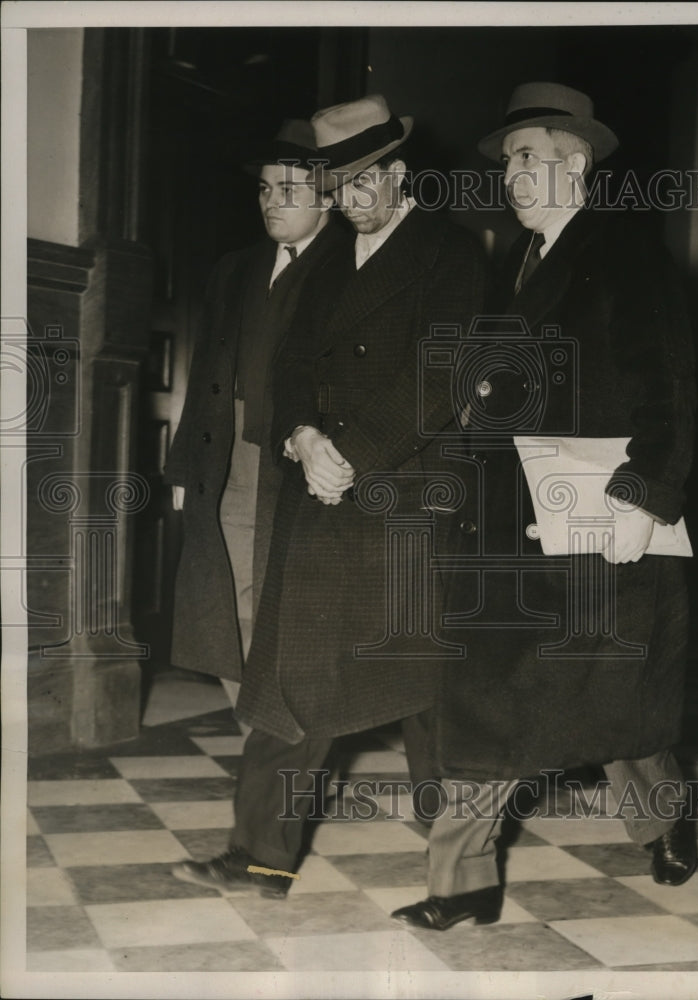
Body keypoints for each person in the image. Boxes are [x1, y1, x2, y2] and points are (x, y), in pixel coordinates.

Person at [393, 82, 698, 931]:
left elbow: (668, 388)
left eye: (526, 158)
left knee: (618, 703)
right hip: (509, 524)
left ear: (577, 163)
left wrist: (646, 499)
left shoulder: (627, 251)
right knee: (486, 702)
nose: (512, 174)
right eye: (509, 162)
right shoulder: (512, 269)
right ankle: (462, 886)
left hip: (598, 516)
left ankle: (665, 820)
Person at [172, 94, 489, 897]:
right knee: (286, 680)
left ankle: (459, 870)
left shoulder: (452, 257)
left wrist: (353, 452)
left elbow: (441, 374)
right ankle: (260, 856)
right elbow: (290, 373)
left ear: (399, 172)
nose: (350, 198)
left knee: (425, 692)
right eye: (337, 184)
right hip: (322, 499)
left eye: (363, 180)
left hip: (406, 505)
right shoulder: (328, 264)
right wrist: (305, 438)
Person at [164, 120, 347, 709]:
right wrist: (187, 466)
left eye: (290, 189)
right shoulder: (235, 268)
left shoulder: (351, 265)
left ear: (327, 198)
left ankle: (286, 736)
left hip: (307, 458)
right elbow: (206, 373)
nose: (273, 201)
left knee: (292, 600)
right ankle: (259, 734)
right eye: (266, 189)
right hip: (233, 456)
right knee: (227, 587)